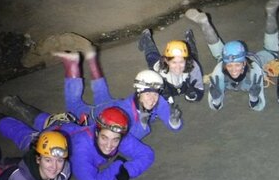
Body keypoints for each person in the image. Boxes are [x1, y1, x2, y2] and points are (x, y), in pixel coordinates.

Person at [0, 100, 156, 180]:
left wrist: (128, 170)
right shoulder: (81, 150)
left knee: (45, 120)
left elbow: (147, 154)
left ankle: (15, 103)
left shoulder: (116, 131)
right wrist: (116, 167)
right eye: (104, 138)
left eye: (115, 140)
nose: (109, 145)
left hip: (67, 127)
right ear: (97, 131)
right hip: (54, 137)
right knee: (24, 137)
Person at [51, 48, 182, 140]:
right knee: (73, 107)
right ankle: (72, 64)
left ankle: (91, 59)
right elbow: (127, 138)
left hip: (113, 104)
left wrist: (174, 120)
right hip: (104, 112)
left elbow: (173, 125)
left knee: (101, 93)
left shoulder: (156, 100)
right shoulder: (125, 113)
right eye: (148, 94)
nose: (152, 99)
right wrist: (143, 120)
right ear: (139, 92)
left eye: (155, 94)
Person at [185, 0, 279, 112]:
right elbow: (216, 106)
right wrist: (215, 98)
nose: (234, 69)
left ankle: (271, 13)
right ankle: (205, 24)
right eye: (230, 65)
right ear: (225, 65)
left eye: (237, 65)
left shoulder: (254, 71)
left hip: (254, 60)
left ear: (244, 63)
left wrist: (254, 97)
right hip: (226, 60)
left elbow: (258, 106)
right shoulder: (220, 71)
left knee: (219, 53)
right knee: (270, 52)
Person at [137, 28, 205, 103]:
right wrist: (161, 96)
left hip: (185, 84)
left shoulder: (193, 66)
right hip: (166, 83)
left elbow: (200, 90)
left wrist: (194, 94)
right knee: (151, 56)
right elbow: (149, 99)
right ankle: (146, 38)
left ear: (186, 60)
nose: (178, 67)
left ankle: (190, 41)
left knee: (193, 55)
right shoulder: (158, 71)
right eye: (174, 62)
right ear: (166, 61)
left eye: (181, 62)